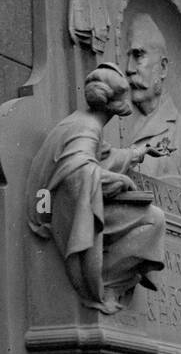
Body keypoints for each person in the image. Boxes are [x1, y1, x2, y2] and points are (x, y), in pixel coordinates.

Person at [26, 63, 166, 314]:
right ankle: (104, 284)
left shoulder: (82, 122)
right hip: (65, 213)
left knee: (151, 217)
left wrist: (139, 152)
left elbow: (104, 156)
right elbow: (79, 173)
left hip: (66, 206)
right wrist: (119, 181)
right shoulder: (87, 128)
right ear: (117, 105)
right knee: (154, 220)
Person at [121, 13, 181, 195]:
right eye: (128, 56)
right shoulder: (117, 123)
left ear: (163, 68)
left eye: (138, 55)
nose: (129, 69)